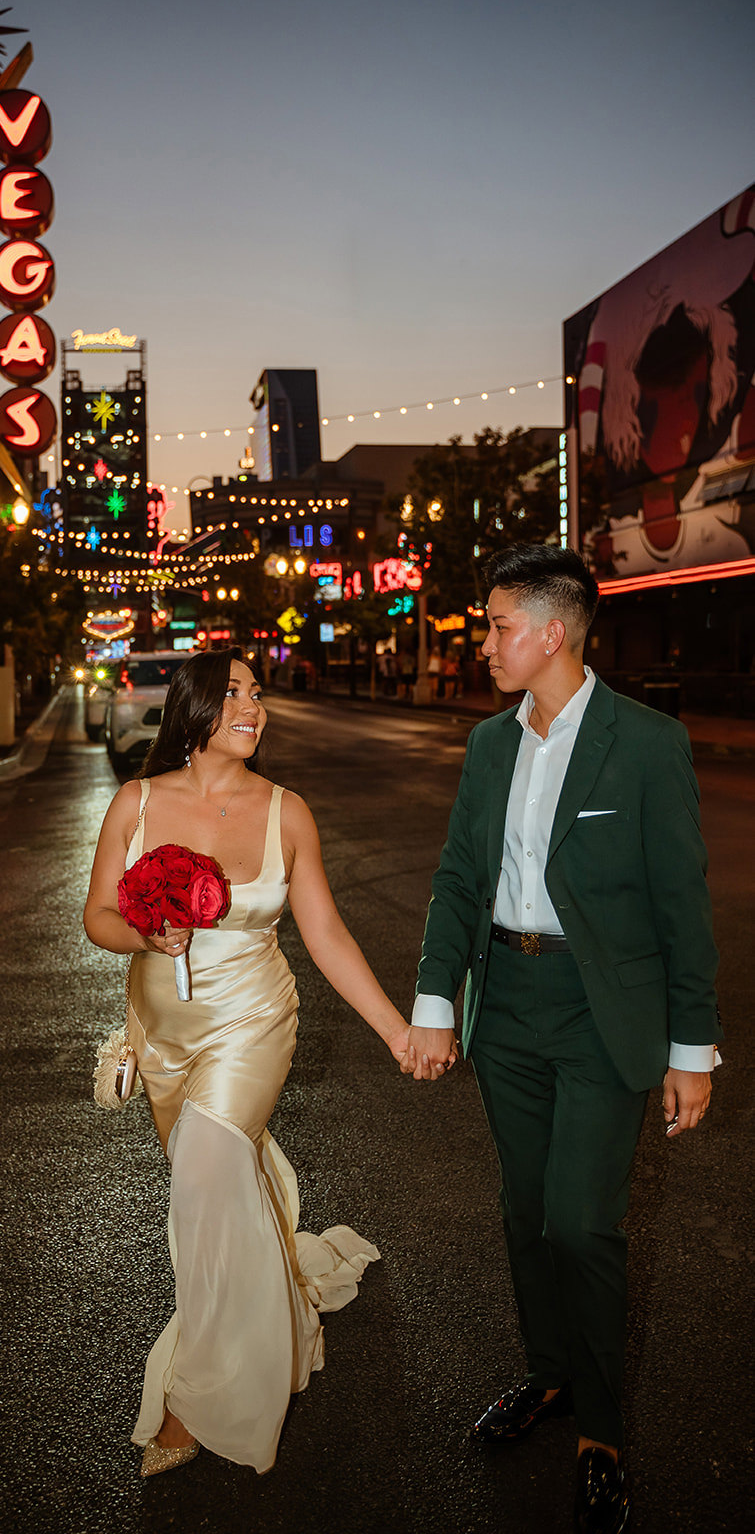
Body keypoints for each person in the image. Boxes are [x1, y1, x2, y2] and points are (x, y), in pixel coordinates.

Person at [404, 544, 720, 1534]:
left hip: (598, 1012)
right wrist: (433, 1000)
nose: (483, 642)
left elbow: (681, 903)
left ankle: (601, 1430)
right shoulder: (491, 744)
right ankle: (546, 1375)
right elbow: (459, 876)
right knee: (525, 1210)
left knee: (583, 1222)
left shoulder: (645, 742)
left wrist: (690, 1049)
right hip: (505, 1005)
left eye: (496, 626)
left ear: (550, 632)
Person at [84, 647, 417, 1477]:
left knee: (201, 1182)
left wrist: (394, 1030)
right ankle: (274, 1302)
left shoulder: (285, 811)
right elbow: (95, 915)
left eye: (258, 694)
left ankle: (199, 1397)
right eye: (234, 693)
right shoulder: (135, 802)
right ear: (194, 710)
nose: (254, 706)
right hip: (160, 1033)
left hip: (252, 1022)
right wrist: (143, 932)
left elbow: (327, 934)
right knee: (214, 1189)